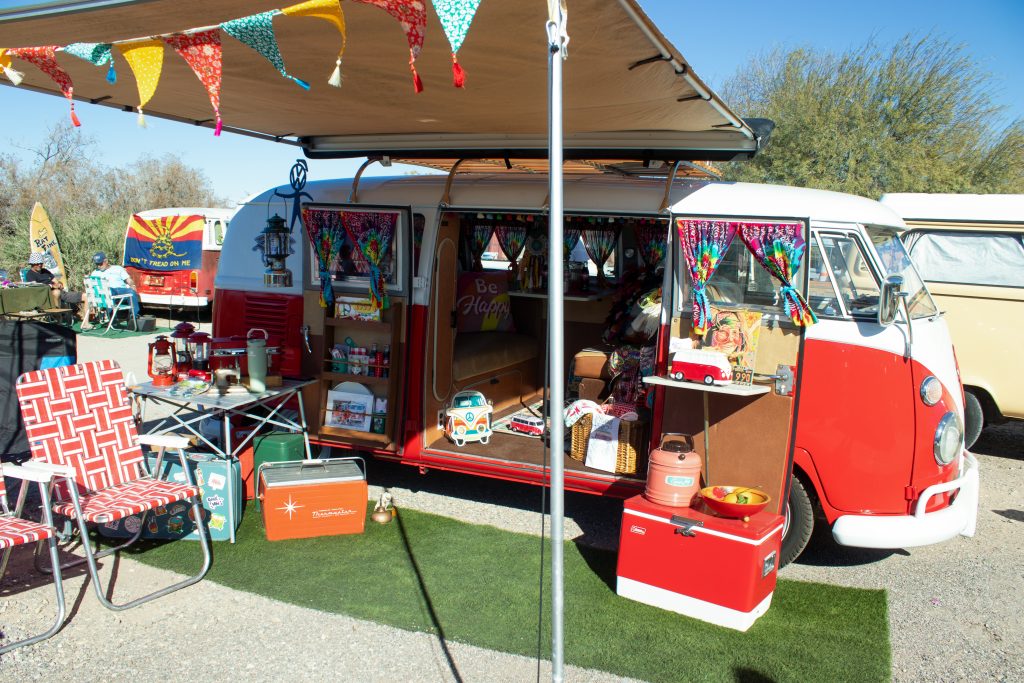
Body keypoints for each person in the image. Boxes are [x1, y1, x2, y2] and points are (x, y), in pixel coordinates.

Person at [25, 252, 92, 328]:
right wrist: (52, 286)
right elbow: (36, 288)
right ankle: (58, 319)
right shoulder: (30, 274)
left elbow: (56, 281)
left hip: (62, 293)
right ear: (32, 264)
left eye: (41, 263)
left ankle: (86, 323)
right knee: (56, 293)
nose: (39, 265)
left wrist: (59, 284)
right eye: (37, 263)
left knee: (86, 296)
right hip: (46, 297)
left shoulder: (45, 271)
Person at [90, 251, 141, 317]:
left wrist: (132, 285)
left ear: (106, 261)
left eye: (100, 264)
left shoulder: (118, 268)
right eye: (97, 264)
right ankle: (112, 317)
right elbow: (93, 288)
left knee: (131, 292)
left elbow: (128, 279)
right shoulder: (95, 273)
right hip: (108, 292)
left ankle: (133, 316)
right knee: (108, 291)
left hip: (121, 290)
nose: (99, 266)